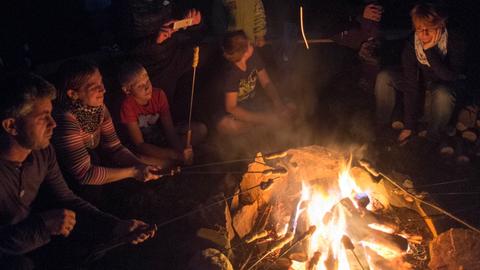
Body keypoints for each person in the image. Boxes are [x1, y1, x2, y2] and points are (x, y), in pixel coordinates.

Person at [0, 73, 154, 269]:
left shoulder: (43, 153)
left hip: (29, 237)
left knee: (95, 244)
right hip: (12, 250)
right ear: (11, 125)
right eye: (43, 117)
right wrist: (41, 226)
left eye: (51, 113)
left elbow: (66, 198)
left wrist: (116, 225)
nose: (53, 123)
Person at [51, 59, 161, 210]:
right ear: (73, 94)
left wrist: (139, 165)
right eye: (94, 87)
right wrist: (134, 172)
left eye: (101, 82)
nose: (103, 89)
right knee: (97, 166)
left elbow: (115, 147)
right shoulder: (65, 119)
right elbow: (85, 174)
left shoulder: (99, 109)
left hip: (92, 167)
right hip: (68, 181)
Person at [375, 2, 466, 143]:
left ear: (440, 24)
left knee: (444, 94)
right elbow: (411, 84)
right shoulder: (412, 45)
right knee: (385, 76)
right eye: (419, 29)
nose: (423, 34)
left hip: (441, 86)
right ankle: (382, 125)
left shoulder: (454, 39)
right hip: (420, 84)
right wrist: (408, 126)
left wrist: (429, 51)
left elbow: (450, 76)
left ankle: (433, 136)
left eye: (428, 28)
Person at [118, 61, 207, 167]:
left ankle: (172, 164)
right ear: (127, 90)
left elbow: (169, 130)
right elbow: (140, 145)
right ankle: (172, 164)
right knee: (140, 159)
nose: (147, 88)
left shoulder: (159, 95)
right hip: (147, 148)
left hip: (162, 138)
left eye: (147, 81)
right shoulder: (127, 106)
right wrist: (175, 155)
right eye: (140, 86)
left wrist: (182, 152)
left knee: (200, 130)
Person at [114, 0, 202, 102]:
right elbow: (125, 47)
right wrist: (155, 41)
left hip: (175, 50)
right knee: (160, 101)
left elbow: (183, 18)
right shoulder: (125, 7)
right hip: (150, 65)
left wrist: (194, 21)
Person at [215, 30, 294, 135]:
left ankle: (260, 127)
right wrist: (264, 119)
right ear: (245, 52)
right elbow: (232, 108)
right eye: (249, 44)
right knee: (227, 125)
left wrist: (278, 104)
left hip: (252, 104)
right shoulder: (231, 73)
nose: (252, 44)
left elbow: (266, 82)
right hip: (236, 113)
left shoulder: (253, 57)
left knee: (291, 107)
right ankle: (260, 128)